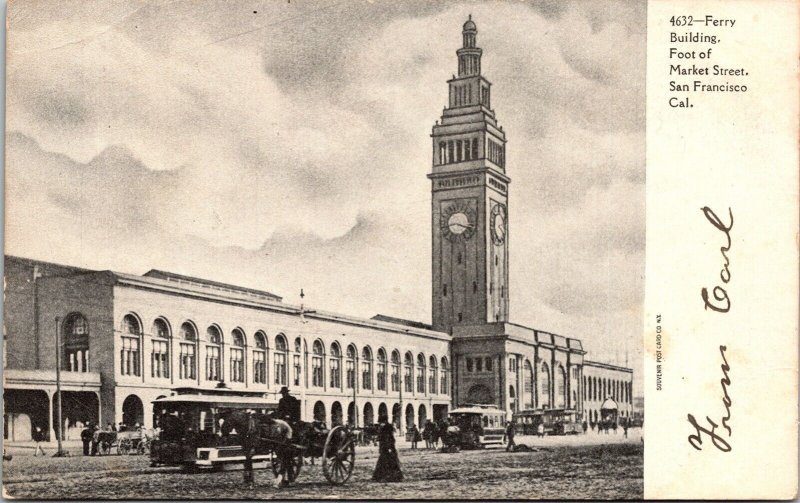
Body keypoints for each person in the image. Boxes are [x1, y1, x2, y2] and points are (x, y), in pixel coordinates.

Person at [372, 412, 403, 482]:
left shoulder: (387, 428)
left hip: (388, 448)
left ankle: (391, 477)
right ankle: (381, 476)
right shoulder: (384, 428)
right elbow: (381, 438)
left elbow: (389, 438)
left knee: (389, 462)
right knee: (383, 462)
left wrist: (389, 447)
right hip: (384, 448)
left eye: (381, 422)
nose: (380, 424)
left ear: (384, 422)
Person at [241, 410, 259, 487]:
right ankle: (248, 480)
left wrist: (253, 447)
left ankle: (249, 481)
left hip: (252, 445)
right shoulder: (250, 425)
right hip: (249, 445)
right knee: (247, 463)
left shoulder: (253, 425)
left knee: (248, 463)